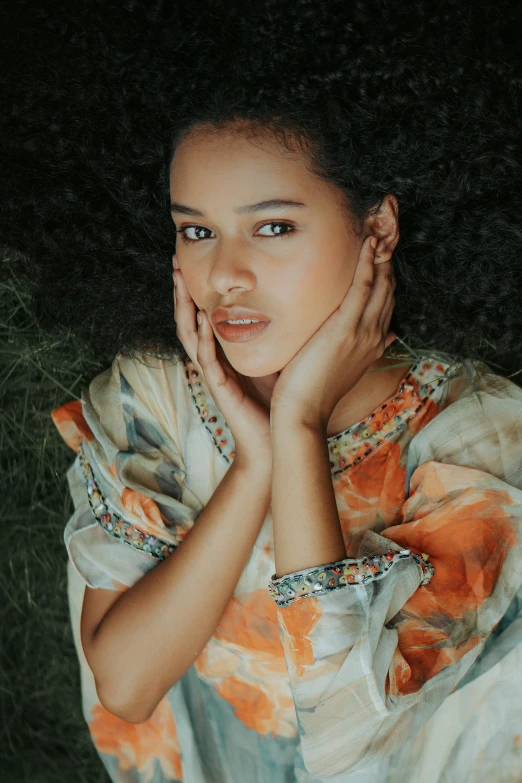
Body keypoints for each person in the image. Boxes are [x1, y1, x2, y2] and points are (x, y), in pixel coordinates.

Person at [4, 2, 522, 781]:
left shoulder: (476, 437)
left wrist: (300, 425)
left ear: (378, 227)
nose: (225, 275)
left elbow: (350, 746)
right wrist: (253, 469)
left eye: (273, 227)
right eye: (196, 230)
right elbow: (127, 682)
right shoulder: (156, 396)